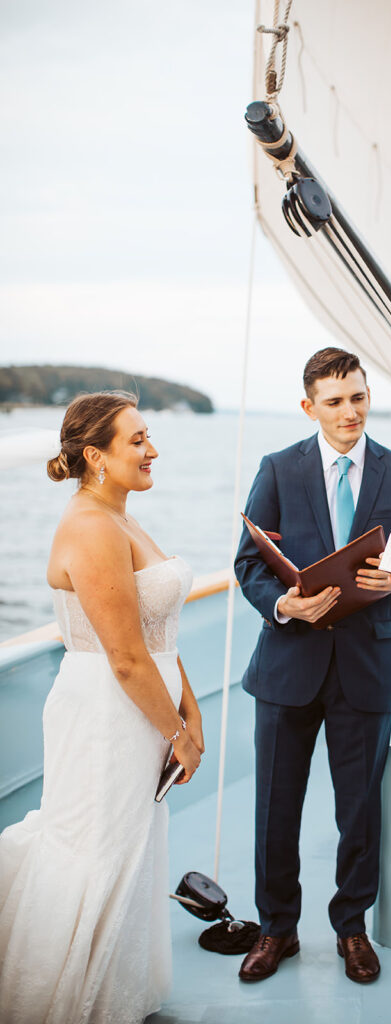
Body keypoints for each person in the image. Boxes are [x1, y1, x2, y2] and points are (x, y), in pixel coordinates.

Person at [0, 392, 204, 1024]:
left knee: (127, 848)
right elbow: (124, 656)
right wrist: (178, 730)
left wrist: (191, 712)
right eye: (138, 440)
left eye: (149, 437)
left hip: (143, 705)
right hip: (108, 715)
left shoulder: (121, 514)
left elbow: (158, 636)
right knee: (94, 848)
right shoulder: (89, 526)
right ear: (95, 455)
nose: (153, 450)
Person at [234, 347, 391, 984]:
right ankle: (276, 929)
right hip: (289, 663)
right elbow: (248, 565)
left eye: (359, 397)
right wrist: (283, 602)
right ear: (309, 406)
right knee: (275, 807)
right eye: (336, 401)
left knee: (359, 811)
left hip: (365, 668)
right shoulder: (277, 470)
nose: (351, 411)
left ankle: (351, 928)